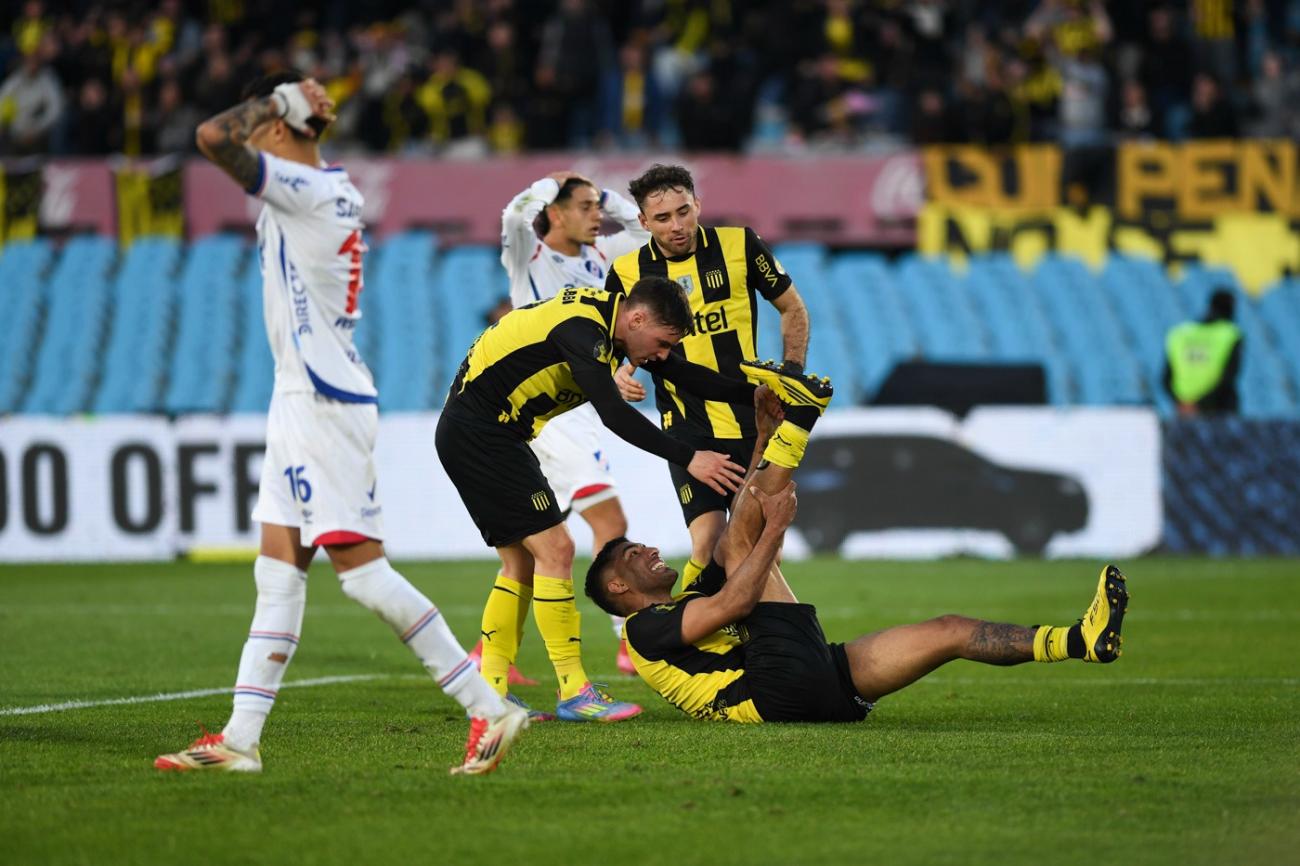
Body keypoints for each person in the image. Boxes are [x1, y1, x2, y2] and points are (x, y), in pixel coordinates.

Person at [154, 72, 527, 776]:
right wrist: (292, 105)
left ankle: (488, 707)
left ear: (272, 132)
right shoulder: (319, 191)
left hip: (322, 398)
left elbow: (210, 137)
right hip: (300, 396)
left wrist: (282, 100)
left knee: (361, 574)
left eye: (263, 125)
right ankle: (240, 739)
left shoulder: (312, 192)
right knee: (277, 576)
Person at [586, 360, 1129, 723]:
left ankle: (1078, 641)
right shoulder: (644, 630)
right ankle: (803, 417)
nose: (649, 550)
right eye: (633, 554)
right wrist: (776, 529)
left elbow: (734, 536)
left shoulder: (677, 603)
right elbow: (737, 600)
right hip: (771, 690)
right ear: (617, 585)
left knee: (949, 631)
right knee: (738, 549)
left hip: (810, 686)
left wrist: (761, 441)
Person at [436, 278, 763, 722]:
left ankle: (491, 695)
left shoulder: (610, 327)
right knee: (558, 549)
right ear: (637, 318)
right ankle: (574, 690)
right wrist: (692, 458)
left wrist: (756, 394)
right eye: (663, 342)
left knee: (521, 563)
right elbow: (613, 414)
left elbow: (681, 373)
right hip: (483, 434)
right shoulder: (583, 329)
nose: (661, 355)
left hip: (491, 434)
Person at [604, 164, 810, 599]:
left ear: (698, 204)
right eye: (662, 218)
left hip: (755, 422)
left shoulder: (740, 244)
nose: (677, 226)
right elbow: (615, 342)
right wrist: (620, 372)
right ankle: (684, 628)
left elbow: (793, 308)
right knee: (709, 539)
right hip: (687, 426)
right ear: (643, 222)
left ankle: (750, 642)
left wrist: (791, 375)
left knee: (763, 551)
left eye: (684, 211)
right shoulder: (627, 272)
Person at [480, 169, 649, 692]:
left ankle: (487, 656)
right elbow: (513, 216)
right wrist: (546, 185)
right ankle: (628, 642)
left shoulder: (599, 259)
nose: (598, 215)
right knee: (608, 519)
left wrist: (604, 199)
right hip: (549, 413)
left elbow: (646, 232)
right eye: (585, 207)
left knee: (522, 553)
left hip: (578, 405)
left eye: (599, 207)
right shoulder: (527, 256)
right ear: (555, 213)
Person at [1163, 288, 1243, 415]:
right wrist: (1201, 404)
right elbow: (1229, 376)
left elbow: (1165, 378)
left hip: (1183, 410)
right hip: (1218, 410)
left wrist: (1183, 403)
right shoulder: (1230, 334)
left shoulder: (1179, 334)